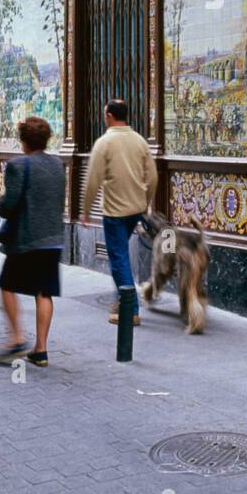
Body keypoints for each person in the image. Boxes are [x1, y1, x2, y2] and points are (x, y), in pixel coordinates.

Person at [0, 116, 65, 367]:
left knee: (6, 284)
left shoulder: (18, 165)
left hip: (27, 239)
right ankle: (41, 349)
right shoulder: (57, 164)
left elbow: (9, 205)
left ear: (24, 141)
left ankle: (16, 338)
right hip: (53, 239)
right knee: (44, 291)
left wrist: (2, 204)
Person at [81, 99, 158, 325]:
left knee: (119, 259)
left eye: (105, 114)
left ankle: (131, 310)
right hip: (135, 209)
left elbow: (92, 180)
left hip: (114, 213)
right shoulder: (140, 141)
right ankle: (120, 300)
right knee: (122, 255)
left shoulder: (104, 143)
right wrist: (145, 202)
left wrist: (85, 210)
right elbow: (152, 177)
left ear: (110, 116)